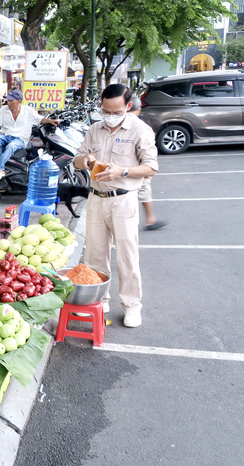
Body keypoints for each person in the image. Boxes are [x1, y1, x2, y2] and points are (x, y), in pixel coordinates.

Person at [73, 84, 159, 327]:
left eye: (115, 111)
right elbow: (77, 159)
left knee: (127, 256)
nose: (110, 116)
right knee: (95, 255)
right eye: (106, 110)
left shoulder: (140, 130)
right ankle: (100, 300)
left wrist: (123, 170)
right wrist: (86, 160)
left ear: (128, 106)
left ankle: (132, 306)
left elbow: (151, 167)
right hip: (97, 199)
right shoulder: (94, 129)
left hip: (124, 199)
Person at [0, 89, 58, 181]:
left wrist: (50, 121)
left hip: (20, 139)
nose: (9, 103)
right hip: (6, 135)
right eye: (8, 100)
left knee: (11, 146)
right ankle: (1, 169)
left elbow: (40, 119)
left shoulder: (28, 111)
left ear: (19, 101)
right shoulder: (3, 109)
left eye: (11, 101)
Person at [129, 96, 167, 231]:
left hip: (133, 168)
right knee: (143, 190)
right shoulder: (140, 127)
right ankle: (150, 219)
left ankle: (149, 218)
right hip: (137, 168)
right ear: (137, 108)